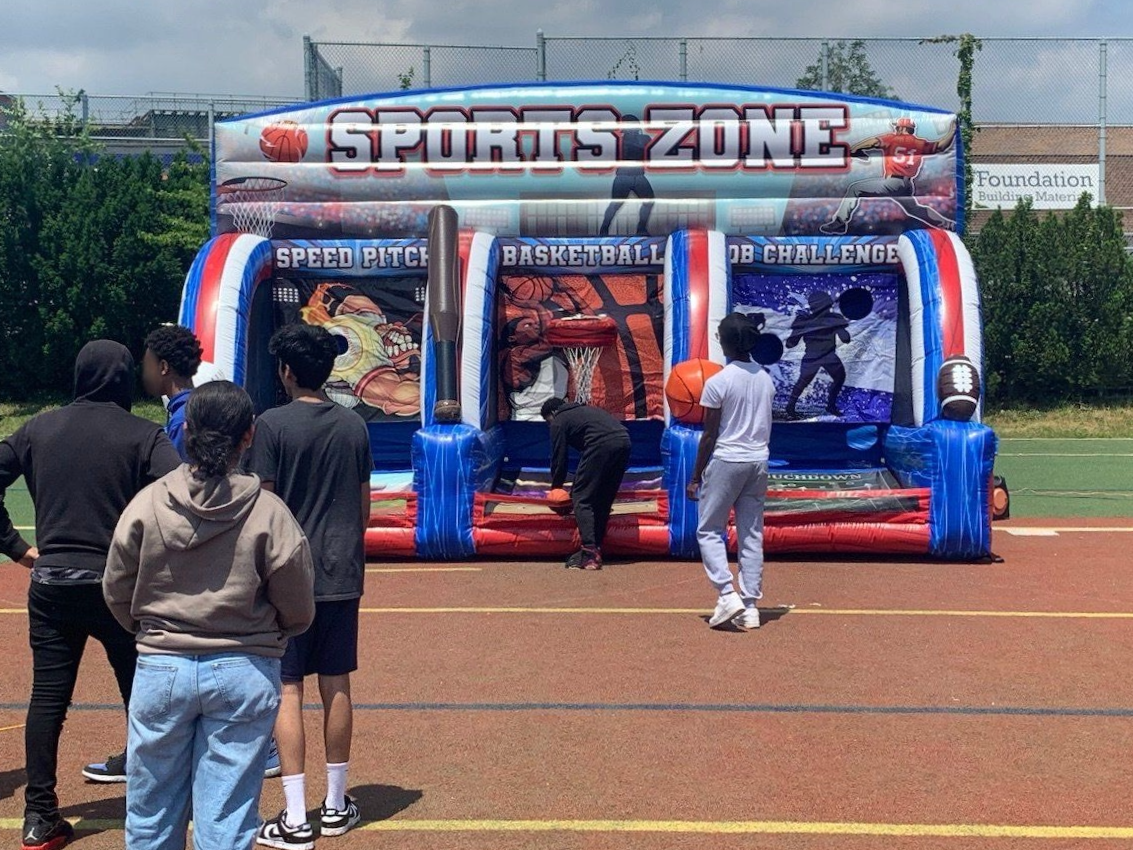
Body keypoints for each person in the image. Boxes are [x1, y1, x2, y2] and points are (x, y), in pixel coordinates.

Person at [104, 381, 315, 850]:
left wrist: (147, 629)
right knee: (226, 817)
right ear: (249, 435)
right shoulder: (269, 512)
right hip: (243, 666)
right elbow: (298, 603)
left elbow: (116, 587)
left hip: (162, 665)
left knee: (151, 812)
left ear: (189, 430)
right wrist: (272, 634)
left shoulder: (149, 502)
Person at [0, 340, 182, 849]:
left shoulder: (39, 426)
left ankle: (39, 816)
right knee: (140, 699)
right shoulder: (144, 434)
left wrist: (16, 548)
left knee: (48, 700)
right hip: (118, 585)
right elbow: (183, 492)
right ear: (124, 379)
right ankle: (152, 804)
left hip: (52, 583)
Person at [249, 324, 372, 849]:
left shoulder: (271, 426)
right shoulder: (354, 426)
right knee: (337, 682)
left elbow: (264, 506)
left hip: (286, 575)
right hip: (342, 570)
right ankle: (337, 802)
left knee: (288, 688)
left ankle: (295, 815)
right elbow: (365, 508)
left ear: (287, 372)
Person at [687, 313, 775, 631]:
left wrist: (696, 476)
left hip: (728, 460)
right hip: (758, 461)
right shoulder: (765, 378)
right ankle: (751, 606)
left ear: (724, 342)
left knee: (709, 530)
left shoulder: (719, 381)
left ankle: (727, 594)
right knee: (751, 534)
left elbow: (709, 435)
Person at [820, 116, 956, 235]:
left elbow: (873, 142)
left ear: (902, 128)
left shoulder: (893, 139)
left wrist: (854, 148)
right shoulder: (920, 143)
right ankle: (946, 224)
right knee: (914, 210)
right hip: (907, 185)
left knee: (855, 189)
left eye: (897, 128)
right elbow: (941, 145)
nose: (895, 130)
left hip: (893, 183)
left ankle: (839, 223)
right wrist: (952, 130)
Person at [540, 397, 631, 571]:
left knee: (581, 499)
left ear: (552, 414)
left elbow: (559, 458)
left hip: (600, 445)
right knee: (603, 499)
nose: (549, 426)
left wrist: (556, 487)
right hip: (624, 441)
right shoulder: (586, 411)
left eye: (547, 422)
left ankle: (589, 553)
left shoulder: (559, 420)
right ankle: (596, 546)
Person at [141, 324, 203, 462]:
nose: (145, 375)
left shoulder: (181, 421)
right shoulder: (196, 407)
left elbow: (176, 476)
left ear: (163, 367)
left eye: (148, 366)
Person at [785, 292, 851, 419]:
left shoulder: (806, 320)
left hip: (817, 357)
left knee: (804, 382)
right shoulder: (831, 318)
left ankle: (793, 405)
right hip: (823, 356)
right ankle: (792, 405)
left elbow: (791, 343)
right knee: (806, 382)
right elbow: (846, 338)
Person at [599, 114, 655, 236]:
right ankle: (604, 229)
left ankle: (641, 228)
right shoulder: (620, 141)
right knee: (616, 204)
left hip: (638, 175)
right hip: (623, 176)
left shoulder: (642, 139)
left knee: (649, 201)